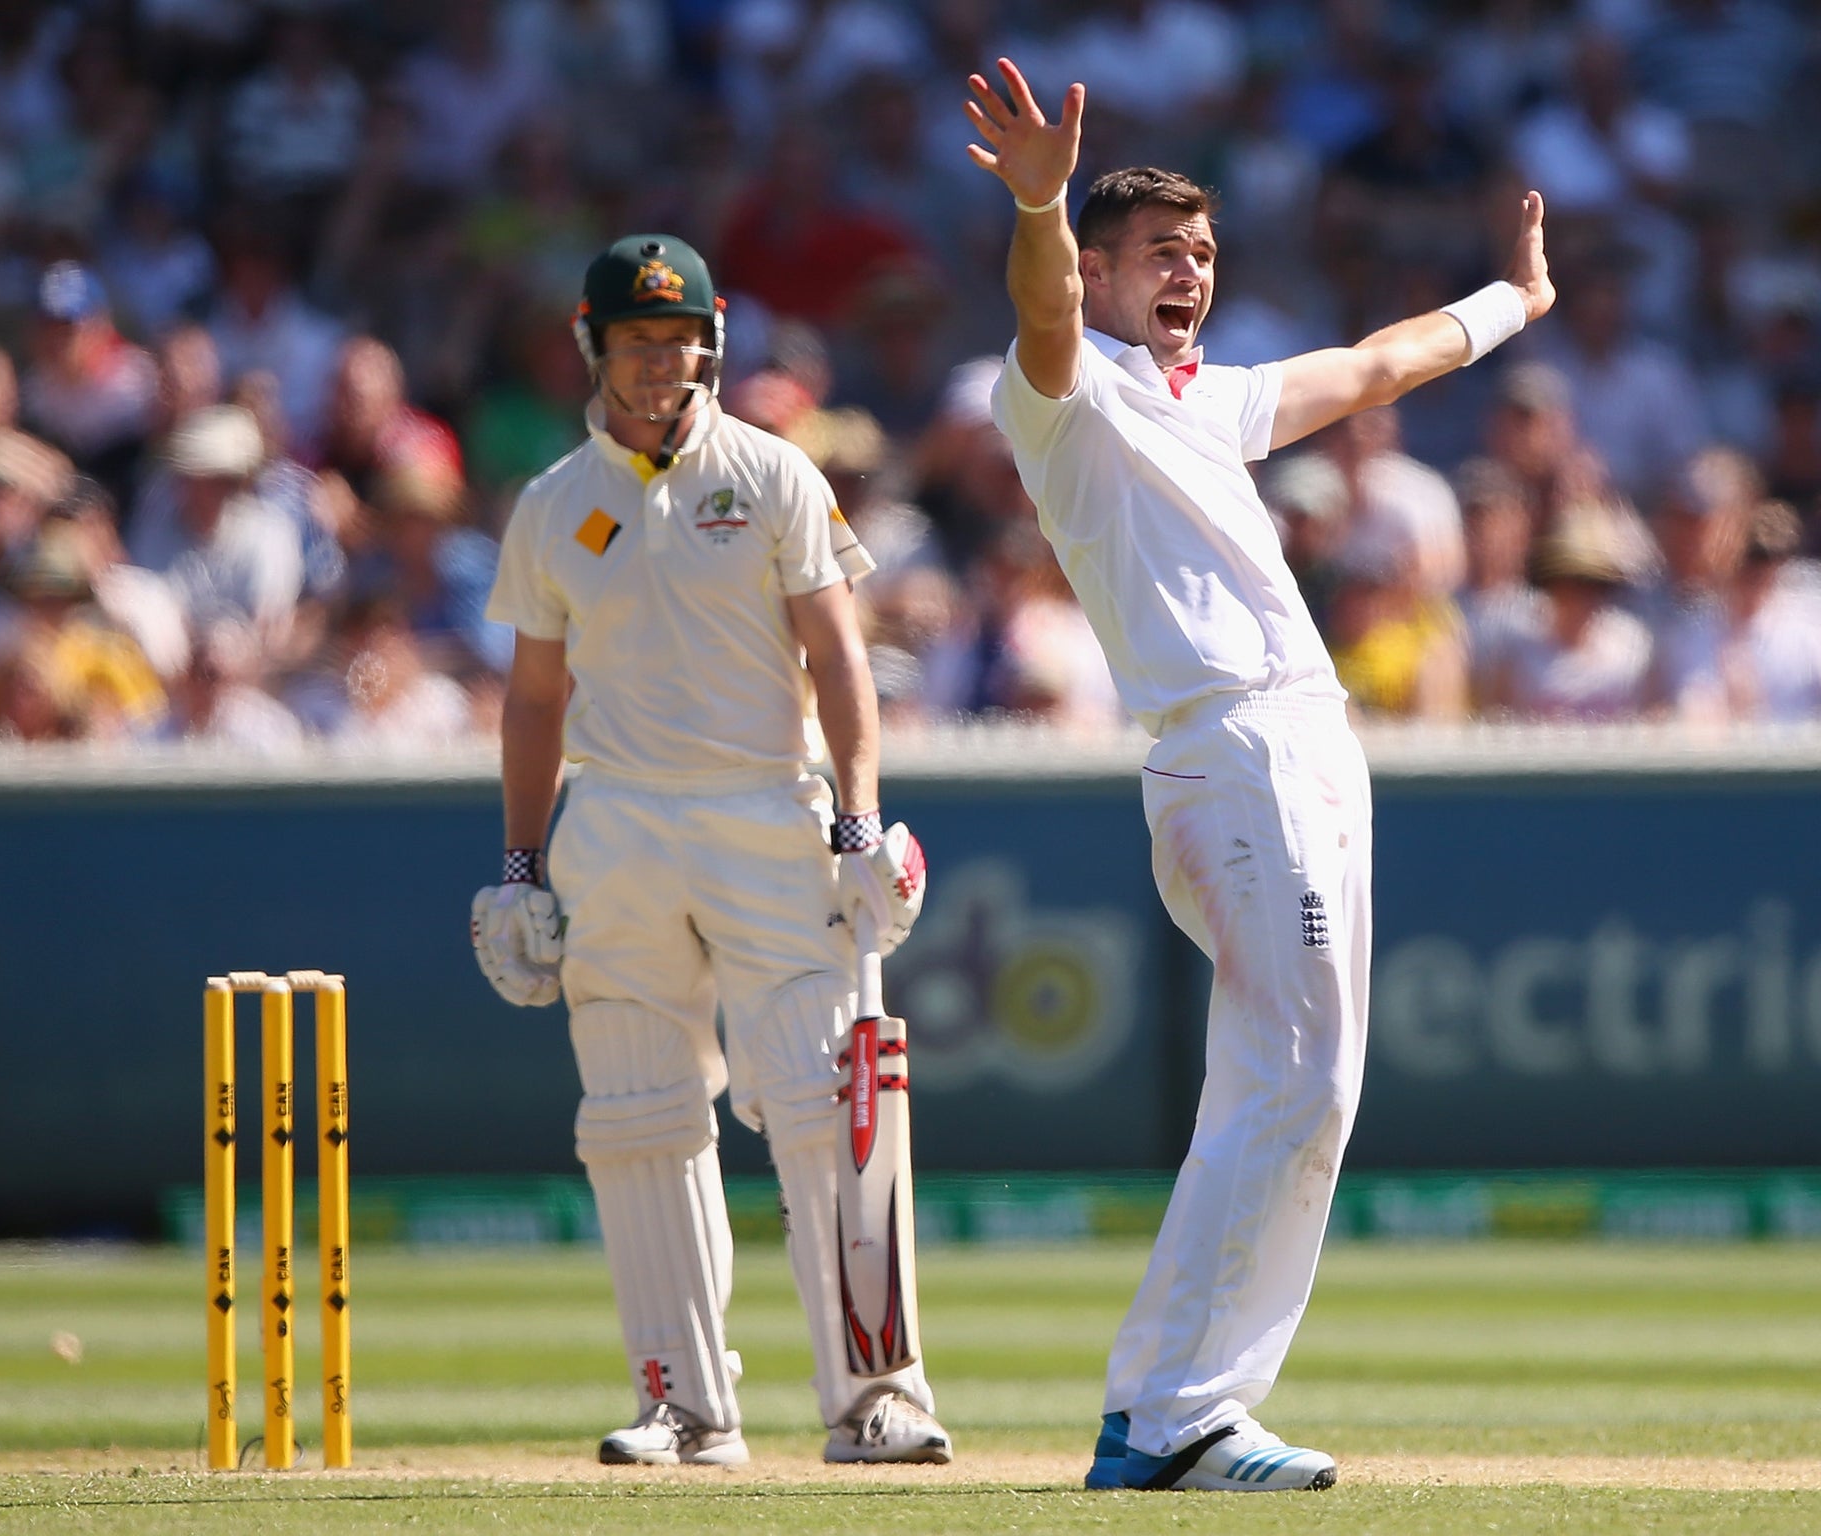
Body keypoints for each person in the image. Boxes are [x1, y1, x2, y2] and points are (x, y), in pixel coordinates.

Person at [964, 58, 1556, 1492]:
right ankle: (1167, 1418)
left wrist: (1515, 304)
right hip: (1234, 750)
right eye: (1162, 254)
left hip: (1304, 745)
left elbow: (1372, 367)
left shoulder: (1207, 404)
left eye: (1206, 253)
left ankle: (1180, 1413)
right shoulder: (1062, 396)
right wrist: (1042, 203)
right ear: (1101, 272)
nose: (1191, 274)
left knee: (1314, 1085)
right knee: (1291, 1077)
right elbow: (1042, 313)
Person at [472, 233, 951, 1468]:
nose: (657, 366)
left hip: (765, 811)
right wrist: (519, 868)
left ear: (712, 342)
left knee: (821, 1103)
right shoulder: (552, 504)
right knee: (634, 1116)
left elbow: (840, 657)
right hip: (617, 821)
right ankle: (681, 1403)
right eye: (634, 342)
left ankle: (877, 1401)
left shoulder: (776, 474)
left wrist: (856, 819)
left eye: (677, 341)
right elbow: (532, 703)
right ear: (594, 348)